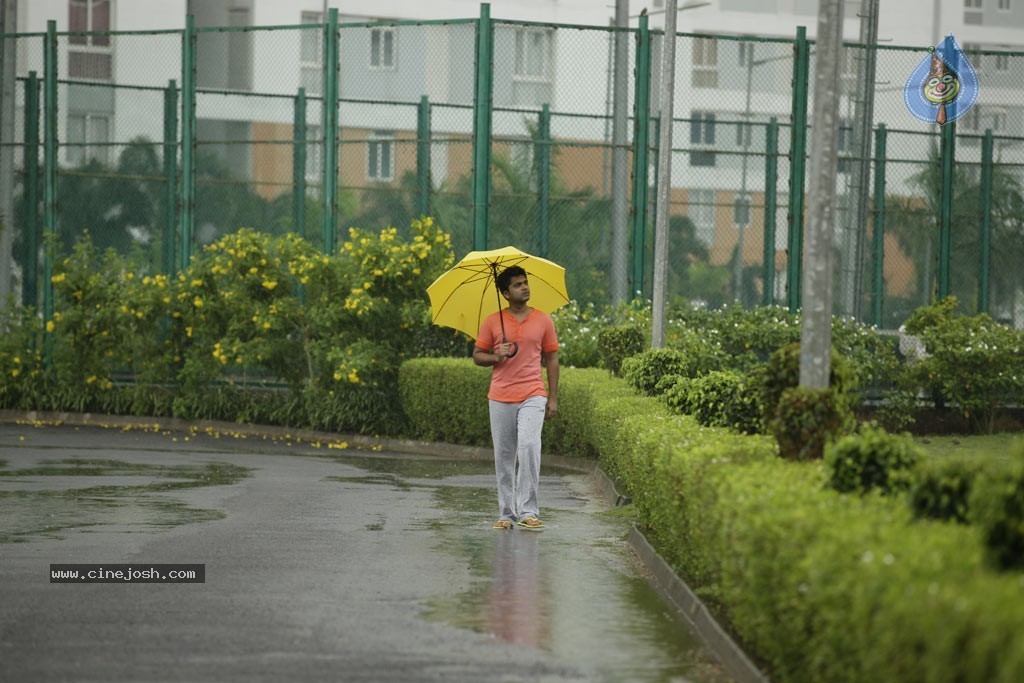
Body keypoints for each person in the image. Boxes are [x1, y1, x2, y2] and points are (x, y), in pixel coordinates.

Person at [473, 265, 559, 531]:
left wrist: (553, 398)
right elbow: (477, 355)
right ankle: (506, 514)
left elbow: (552, 359)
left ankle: (528, 511)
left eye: (525, 282)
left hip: (533, 394)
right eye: (518, 285)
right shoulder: (491, 322)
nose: (525, 287)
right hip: (499, 397)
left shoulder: (544, 320)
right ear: (505, 292)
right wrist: (497, 355)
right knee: (505, 455)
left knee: (529, 446)